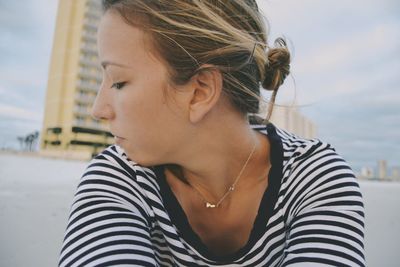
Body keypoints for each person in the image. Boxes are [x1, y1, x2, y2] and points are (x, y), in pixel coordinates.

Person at [58, 0, 366, 266]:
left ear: (200, 92)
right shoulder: (118, 178)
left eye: (118, 82)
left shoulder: (315, 177)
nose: (98, 110)